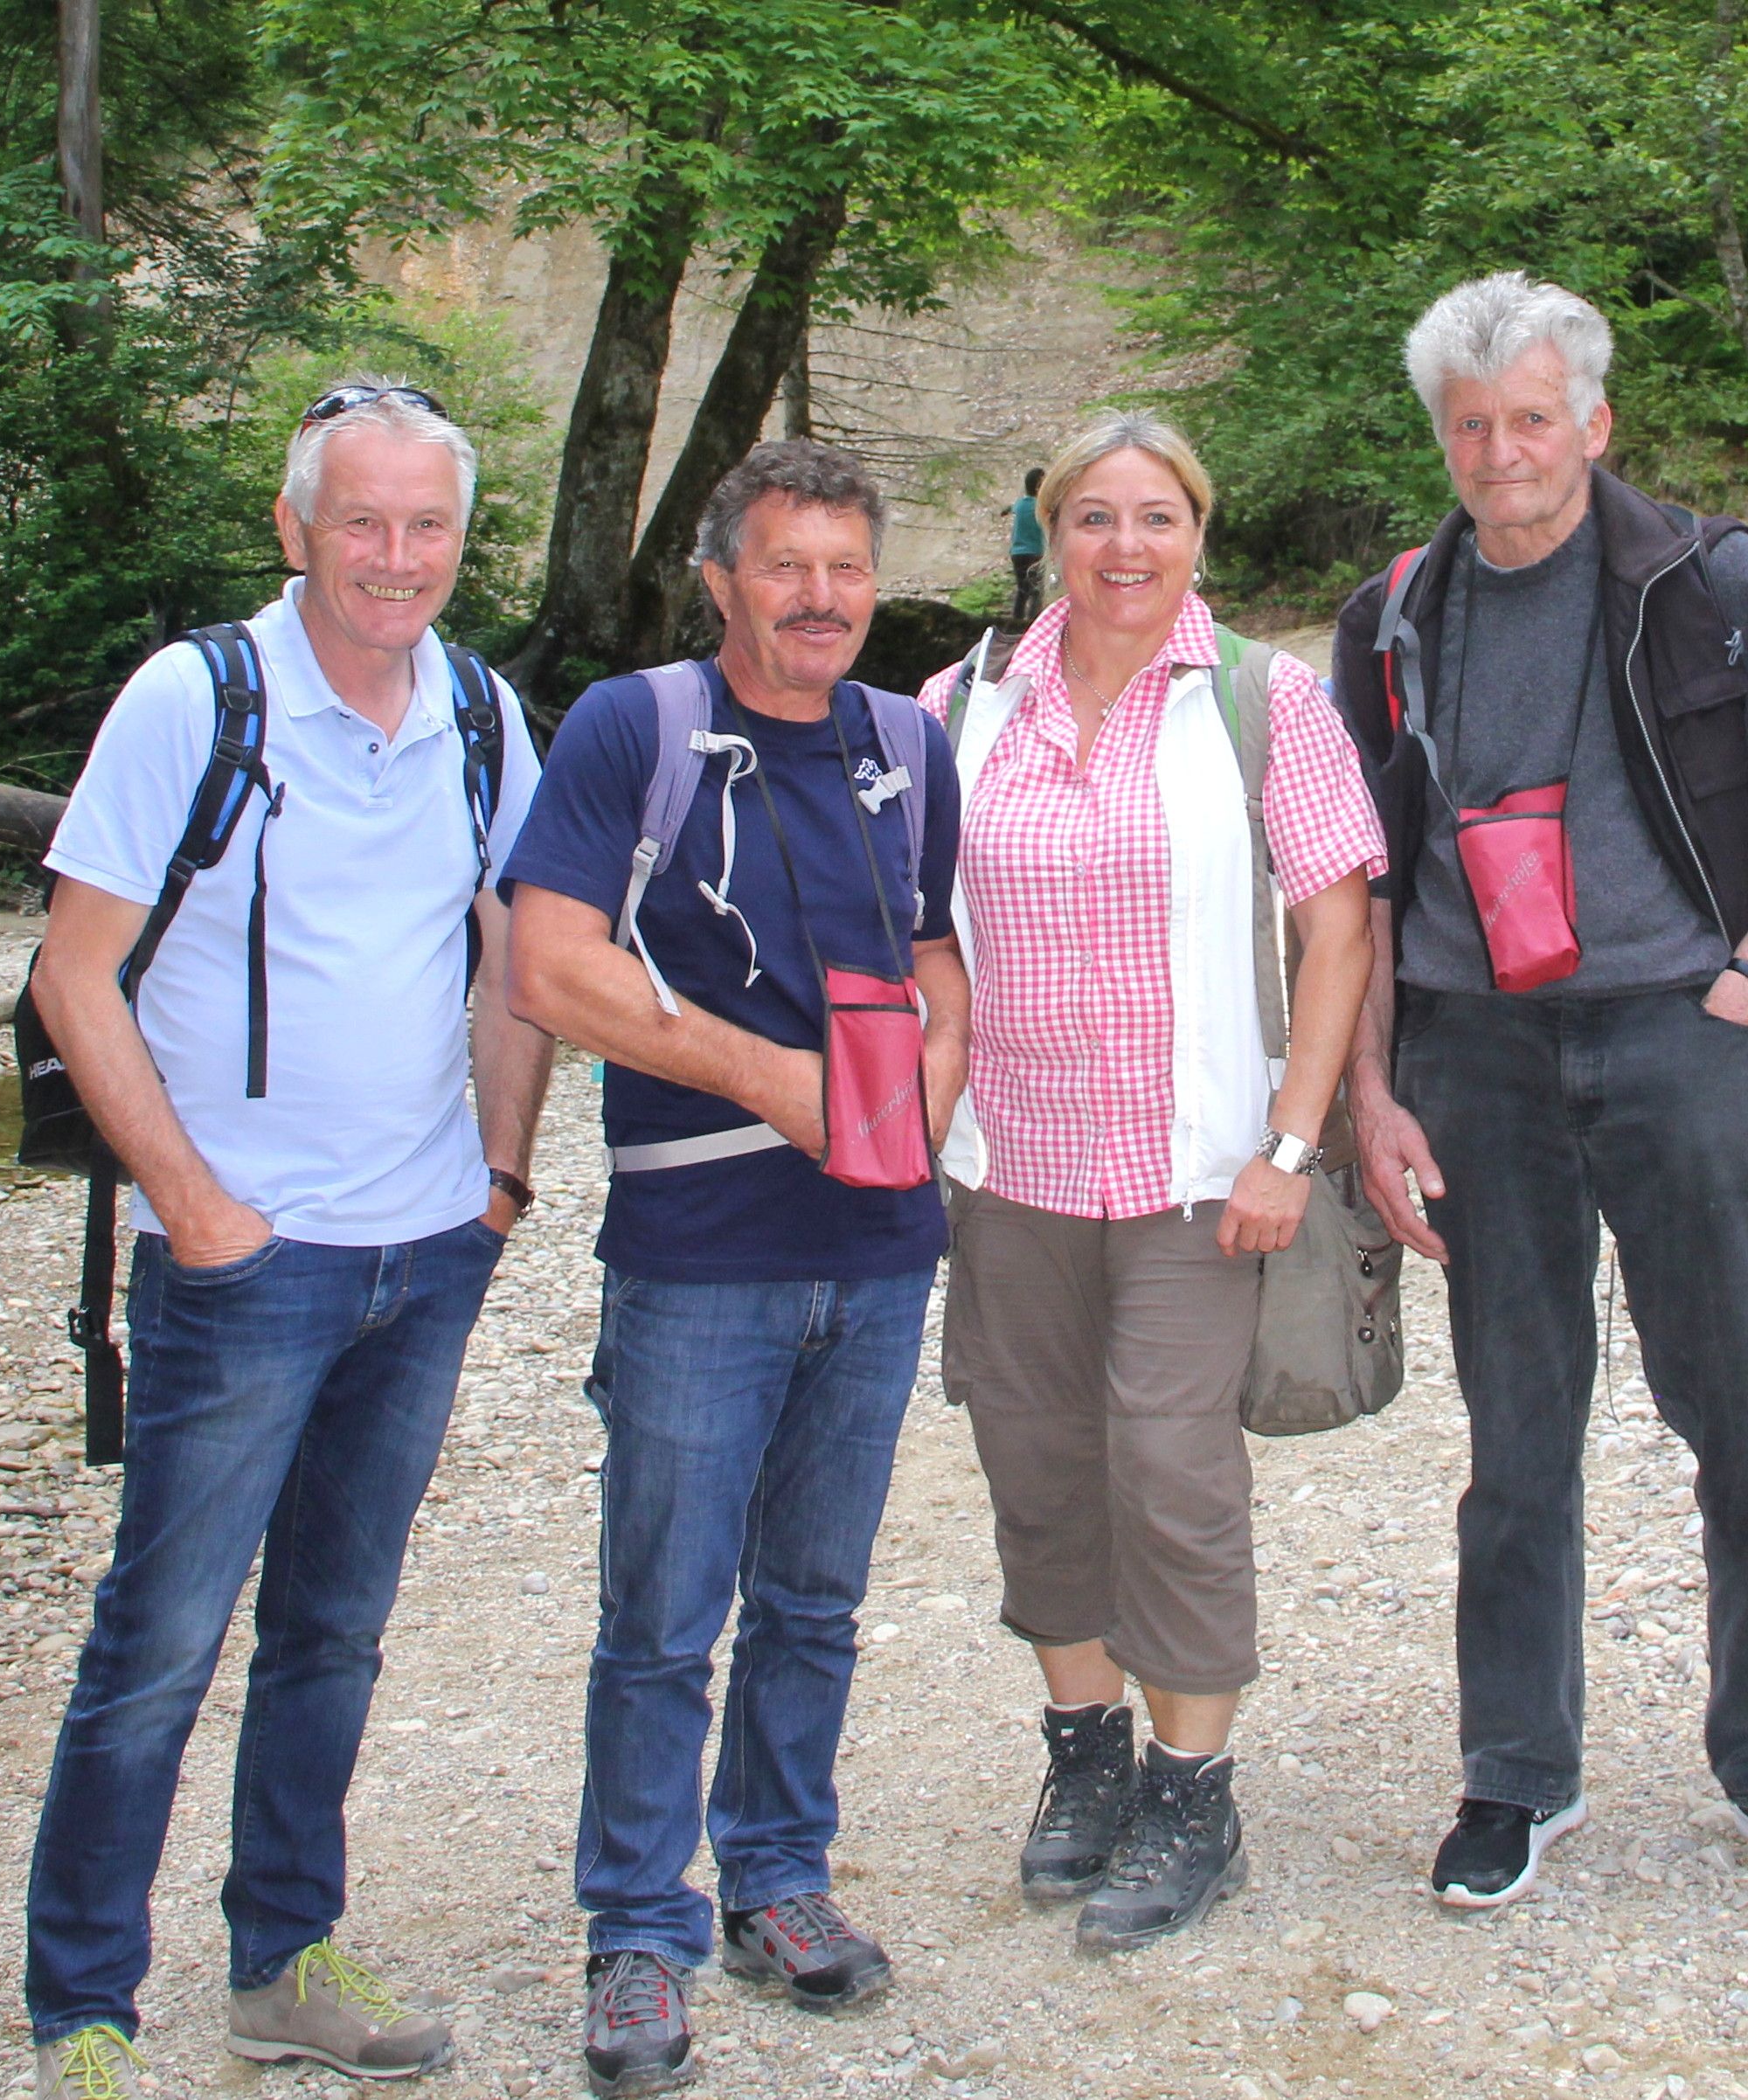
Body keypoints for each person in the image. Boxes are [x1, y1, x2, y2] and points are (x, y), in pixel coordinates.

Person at [1325, 273, 1748, 1912]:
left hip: (1681, 1035)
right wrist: (1370, 1089)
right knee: (1515, 1432)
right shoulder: (1392, 617)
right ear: (1442, 436)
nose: (1502, 452)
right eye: (1471, 424)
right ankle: (1515, 1770)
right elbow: (1358, 883)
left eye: (1531, 417)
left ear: (1595, 421)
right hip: (1478, 1056)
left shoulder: (1710, 583)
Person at [22, 380, 551, 2096]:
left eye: (427, 525)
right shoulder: (198, 700)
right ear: (296, 526)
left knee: (333, 1627)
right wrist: (196, 1208)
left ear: (460, 538)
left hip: (426, 1252)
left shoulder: (479, 710)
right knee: (160, 1640)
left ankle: (284, 1958)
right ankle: (85, 2009)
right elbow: (73, 973)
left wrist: (500, 1177)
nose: (396, 557)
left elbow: (516, 955)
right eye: (362, 521)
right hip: (243, 1268)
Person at [503, 440, 968, 2097]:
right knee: (661, 1612)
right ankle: (638, 1925)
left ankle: (777, 1874)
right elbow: (548, 963)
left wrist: (924, 1101)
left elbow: (935, 953)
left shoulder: (905, 743)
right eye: (785, 565)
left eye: (845, 567)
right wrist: (778, 1083)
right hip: (698, 1250)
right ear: (721, 581)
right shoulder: (632, 728)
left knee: (814, 1599)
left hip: (878, 1249)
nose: (819, 598)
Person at [914, 412, 1382, 1951]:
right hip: (1010, 1166)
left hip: (1198, 1175)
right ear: (1051, 535)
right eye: (1094, 518)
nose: (1125, 547)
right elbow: (910, 934)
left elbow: (1337, 931)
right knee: (1037, 1464)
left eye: (1156, 518)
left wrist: (1291, 1142)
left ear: (1198, 532)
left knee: (1173, 1472)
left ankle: (1193, 1788)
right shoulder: (956, 706)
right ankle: (1084, 1751)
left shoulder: (1261, 698)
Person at [1007, 468, 1048, 626]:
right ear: (1039, 487)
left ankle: (1015, 623)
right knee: (1037, 591)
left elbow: (1011, 508)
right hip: (1035, 553)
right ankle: (1031, 624)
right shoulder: (1041, 506)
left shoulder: (1019, 505)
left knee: (1022, 591)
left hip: (1017, 554)